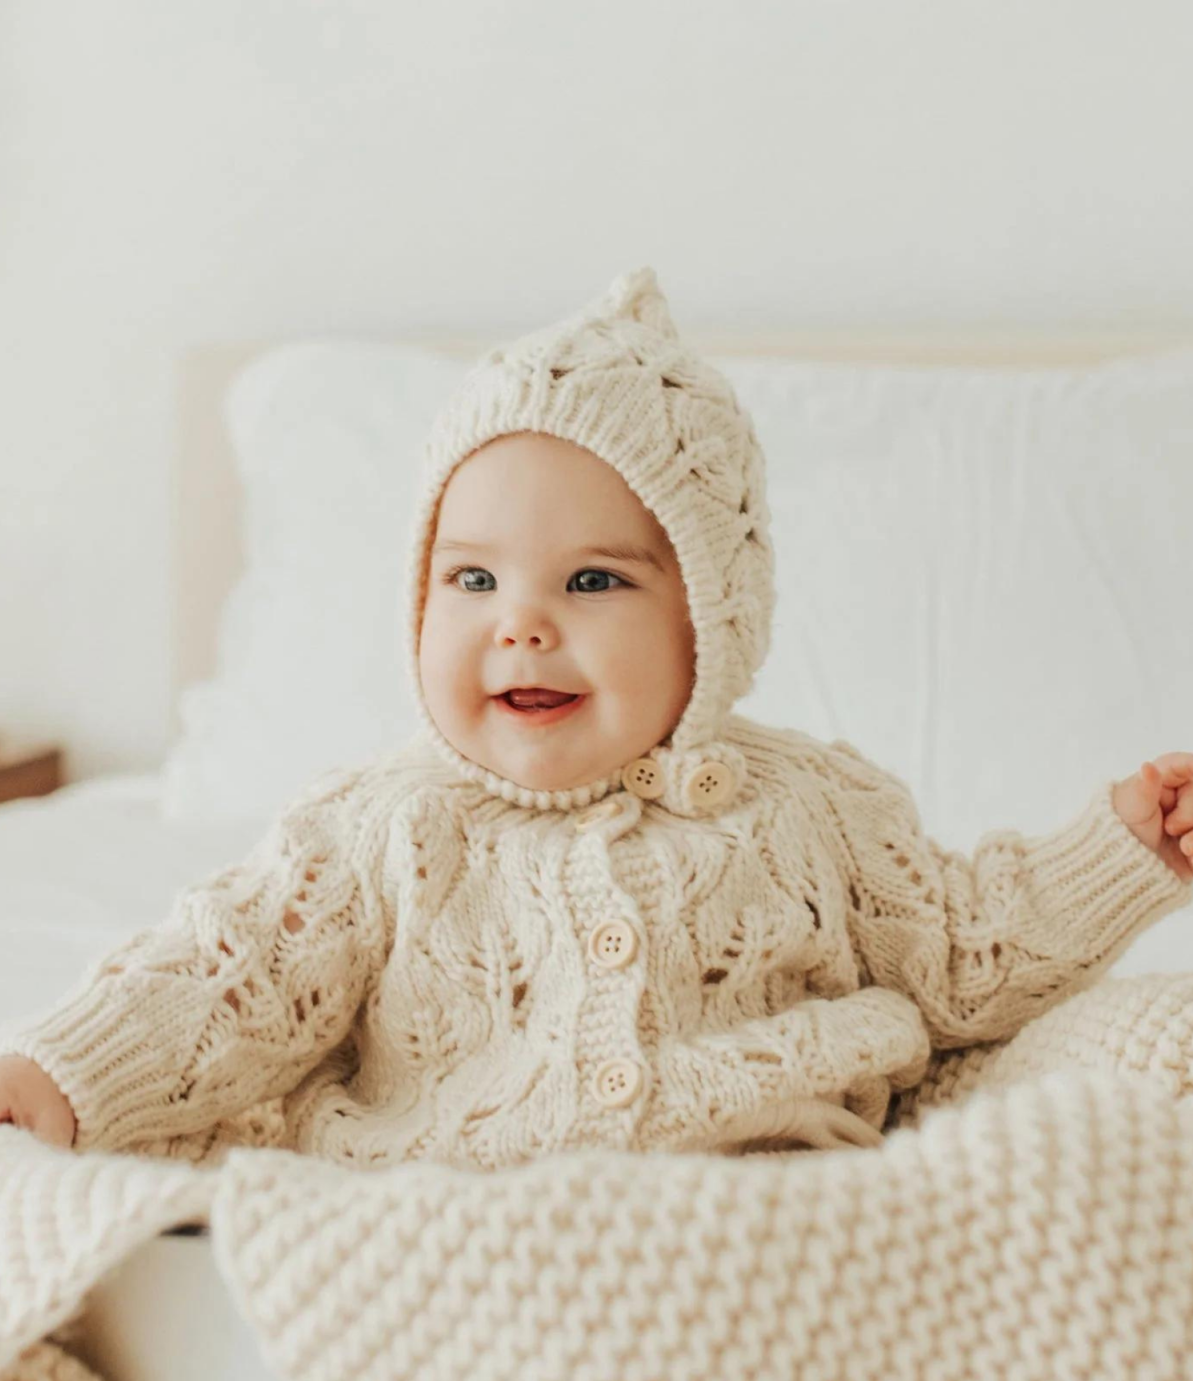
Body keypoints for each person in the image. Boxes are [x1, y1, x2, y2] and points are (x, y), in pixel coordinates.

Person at [2, 265, 1190, 1168]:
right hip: (466, 1212)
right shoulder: (378, 829)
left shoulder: (811, 808)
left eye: (591, 581)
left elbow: (963, 955)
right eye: (472, 580)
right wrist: (61, 1079)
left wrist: (1120, 848)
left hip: (790, 1214)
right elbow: (225, 980)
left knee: (1138, 1056)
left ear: (709, 624)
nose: (519, 624)